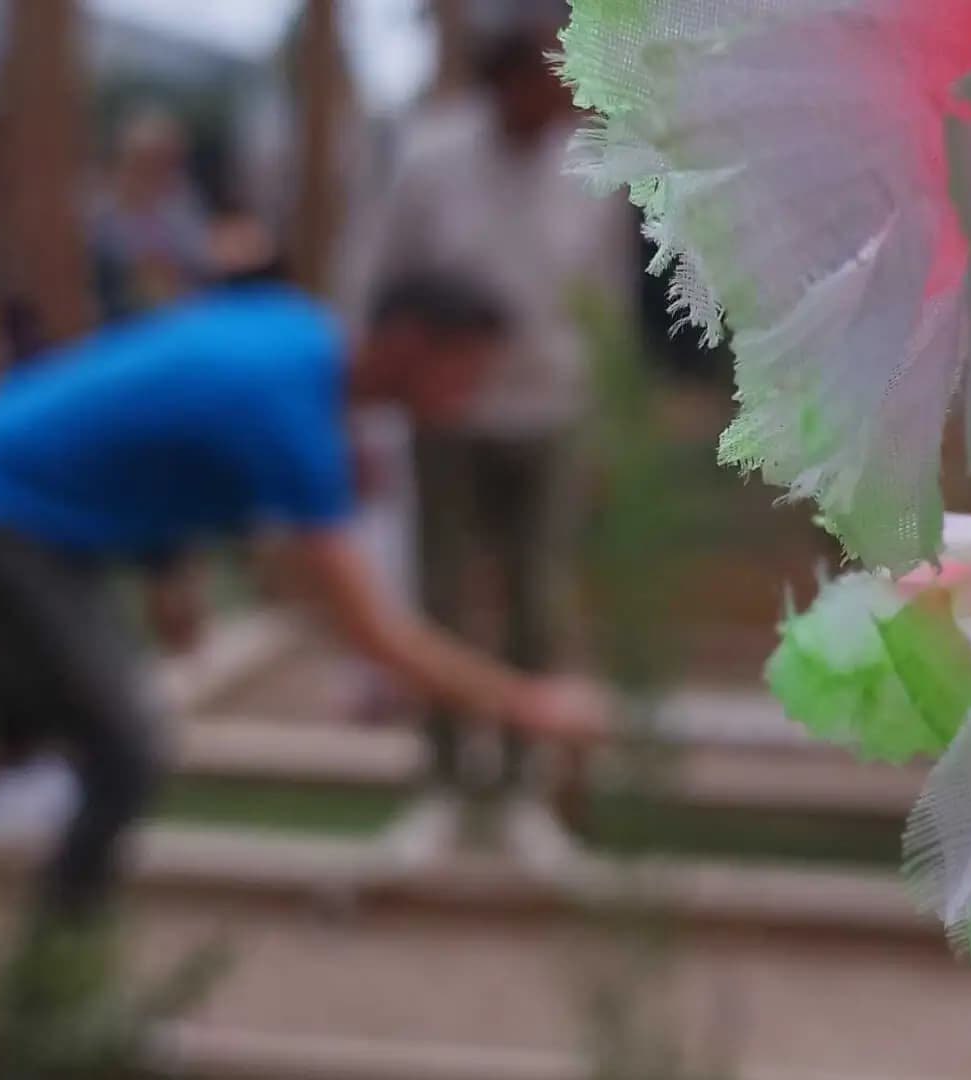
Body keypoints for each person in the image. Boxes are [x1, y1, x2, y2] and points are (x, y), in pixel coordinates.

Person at [0, 253, 608, 921]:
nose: (472, 394)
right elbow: (378, 637)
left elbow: (149, 416)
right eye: (464, 370)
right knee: (124, 742)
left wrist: (171, 570)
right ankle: (46, 986)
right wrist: (527, 703)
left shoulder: (291, 331)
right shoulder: (294, 422)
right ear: (409, 343)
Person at [355, 15, 635, 869]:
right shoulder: (429, 160)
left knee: (536, 601)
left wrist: (606, 428)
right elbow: (376, 278)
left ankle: (520, 793)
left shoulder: (590, 167)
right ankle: (444, 784)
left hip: (549, 411)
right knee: (442, 594)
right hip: (447, 413)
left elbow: (610, 303)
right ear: (504, 79)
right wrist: (370, 409)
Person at [89, 108, 213, 323]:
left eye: (169, 160)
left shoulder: (182, 199)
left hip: (184, 316)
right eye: (152, 160)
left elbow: (199, 252)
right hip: (122, 322)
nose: (162, 170)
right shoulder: (100, 209)